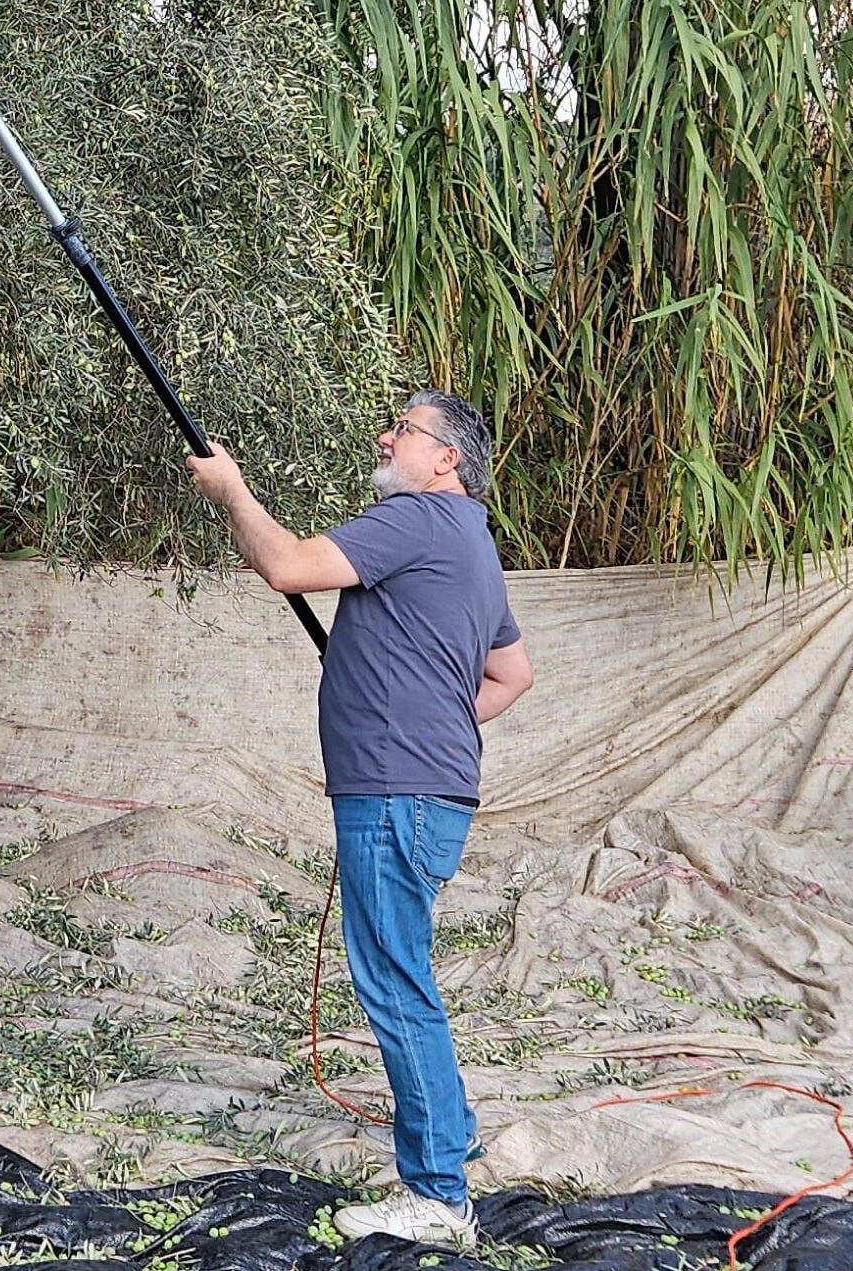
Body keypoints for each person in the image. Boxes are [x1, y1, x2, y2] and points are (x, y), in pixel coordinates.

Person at [187, 390, 533, 1248]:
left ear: (444, 457)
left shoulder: (416, 518)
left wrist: (233, 491)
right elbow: (511, 673)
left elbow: (288, 567)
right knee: (405, 969)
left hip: (394, 795)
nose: (387, 437)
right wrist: (431, 716)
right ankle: (450, 1136)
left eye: (404, 429)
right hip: (422, 790)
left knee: (393, 980)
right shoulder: (472, 541)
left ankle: (438, 1197)